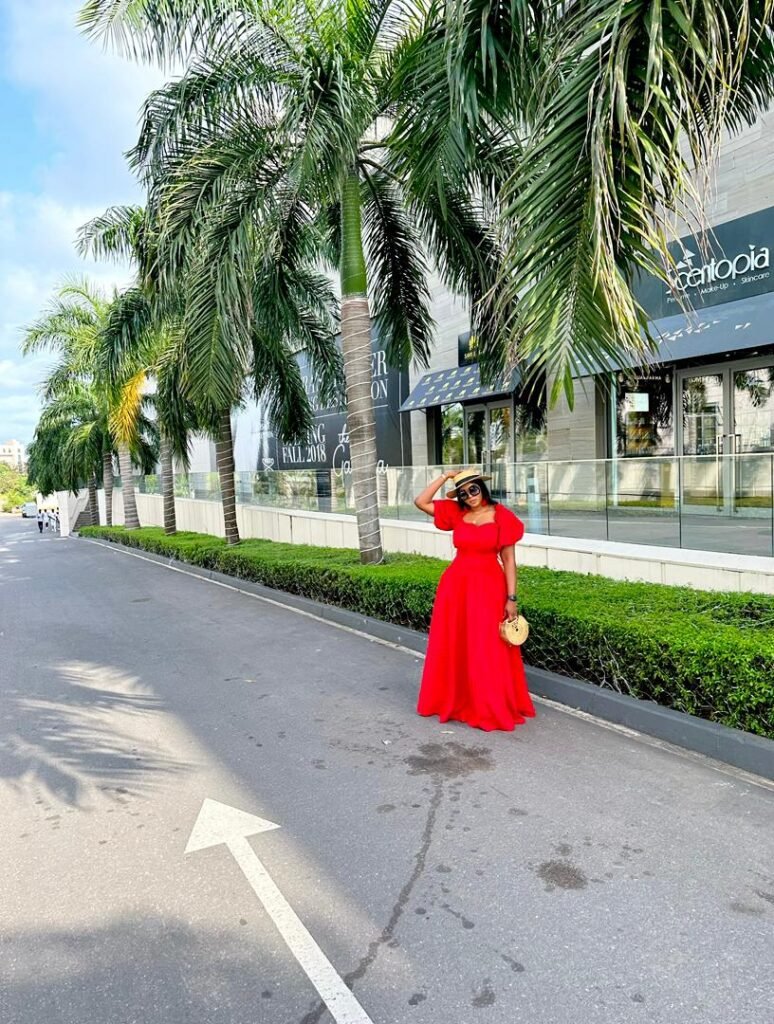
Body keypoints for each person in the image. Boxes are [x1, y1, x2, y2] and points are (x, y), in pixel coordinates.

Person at [413, 468, 535, 732]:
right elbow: (421, 502)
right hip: (456, 587)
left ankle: (488, 703)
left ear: (482, 487)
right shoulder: (457, 514)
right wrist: (445, 478)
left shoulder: (502, 516)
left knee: (486, 644)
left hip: (489, 586)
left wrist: (511, 598)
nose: (469, 496)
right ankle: (459, 700)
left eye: (473, 489)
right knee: (457, 642)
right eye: (463, 493)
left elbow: (510, 560)